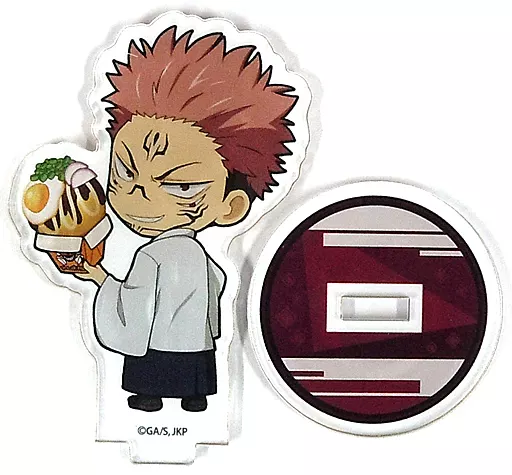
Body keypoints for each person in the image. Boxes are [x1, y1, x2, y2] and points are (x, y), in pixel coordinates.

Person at [75, 26, 299, 412]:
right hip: (197, 348)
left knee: (150, 379)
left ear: (230, 207)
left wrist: (99, 277)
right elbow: (218, 287)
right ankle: (195, 396)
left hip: (158, 349)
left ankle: (151, 396)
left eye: (179, 186)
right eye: (125, 172)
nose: (139, 193)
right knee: (194, 376)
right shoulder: (201, 258)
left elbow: (135, 307)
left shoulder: (150, 256)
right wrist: (208, 328)